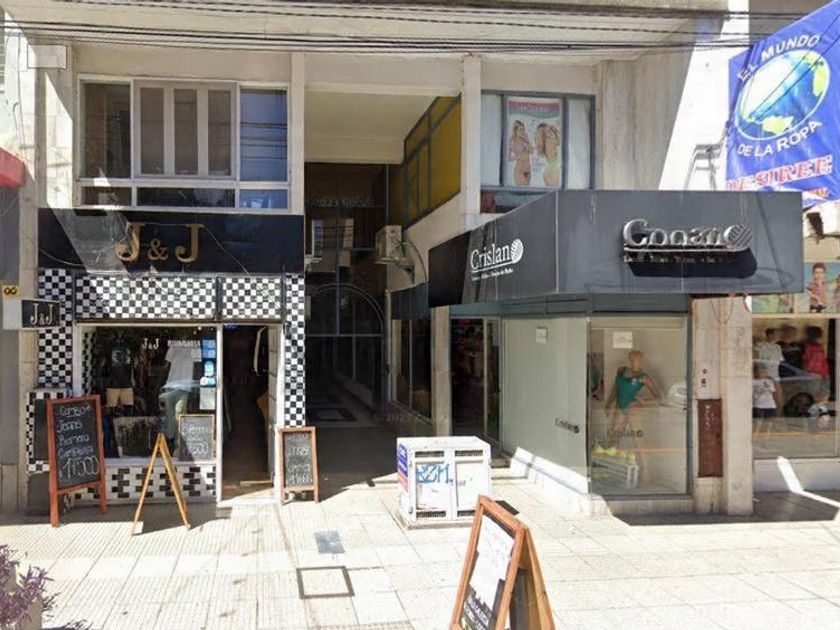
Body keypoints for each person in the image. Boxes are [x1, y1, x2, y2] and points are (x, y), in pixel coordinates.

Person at [752, 363, 780, 435]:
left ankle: (767, 435)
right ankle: (756, 434)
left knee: (768, 423)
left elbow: (774, 393)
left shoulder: (769, 381)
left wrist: (777, 404)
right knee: (757, 422)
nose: (761, 373)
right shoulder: (752, 382)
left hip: (770, 405)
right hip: (758, 405)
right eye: (759, 371)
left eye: (763, 371)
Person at [534, 123, 561, 187]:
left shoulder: (547, 141)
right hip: (553, 169)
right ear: (544, 135)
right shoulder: (550, 140)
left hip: (550, 168)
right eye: (549, 130)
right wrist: (556, 131)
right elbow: (560, 141)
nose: (551, 131)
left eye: (550, 129)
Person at [507, 120, 533, 186]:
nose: (522, 131)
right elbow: (509, 158)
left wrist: (527, 141)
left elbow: (531, 151)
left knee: (527, 190)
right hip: (519, 170)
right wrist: (519, 156)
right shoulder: (512, 141)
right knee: (522, 189)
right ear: (515, 130)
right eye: (520, 130)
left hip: (528, 170)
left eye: (523, 129)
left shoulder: (525, 138)